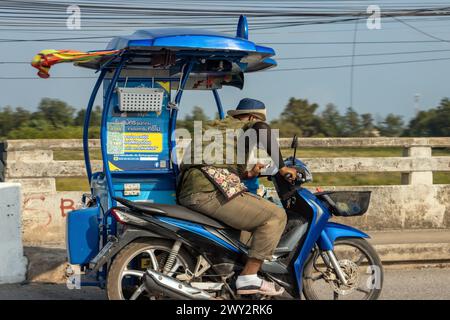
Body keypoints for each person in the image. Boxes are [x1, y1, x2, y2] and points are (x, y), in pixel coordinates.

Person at [177, 98, 297, 296]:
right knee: (275, 216)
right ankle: (249, 277)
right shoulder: (245, 126)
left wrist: (249, 173)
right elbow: (262, 129)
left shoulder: (217, 128)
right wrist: (282, 167)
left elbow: (219, 163)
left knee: (247, 232)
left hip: (191, 189)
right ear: (250, 117)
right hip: (207, 191)